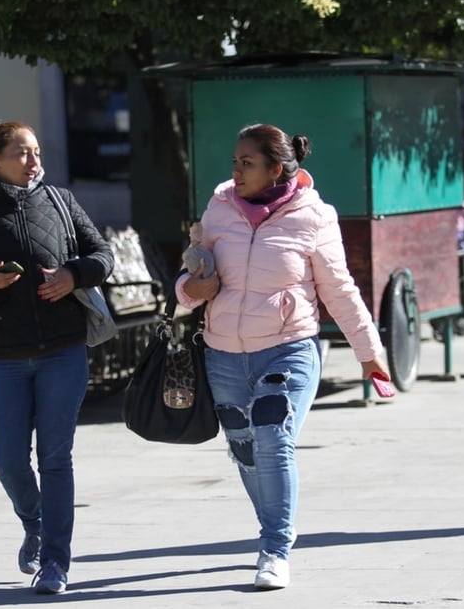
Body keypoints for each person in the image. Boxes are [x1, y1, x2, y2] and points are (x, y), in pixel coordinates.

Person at [176, 123, 389, 590]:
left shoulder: (313, 216)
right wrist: (190, 290)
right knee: (246, 451)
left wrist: (369, 354)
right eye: (234, 161)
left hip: (289, 347)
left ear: (276, 169)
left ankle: (274, 546)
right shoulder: (219, 208)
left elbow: (339, 289)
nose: (236, 171)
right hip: (224, 353)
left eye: (246, 163)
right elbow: (190, 274)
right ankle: (273, 527)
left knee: (273, 436)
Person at [0, 121, 114, 594]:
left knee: (55, 458)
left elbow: (103, 255)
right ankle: (34, 520)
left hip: (63, 352)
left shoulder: (60, 201)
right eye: (21, 154)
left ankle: (55, 561)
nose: (33, 161)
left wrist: (73, 275)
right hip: (3, 356)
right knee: (8, 459)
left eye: (35, 151)